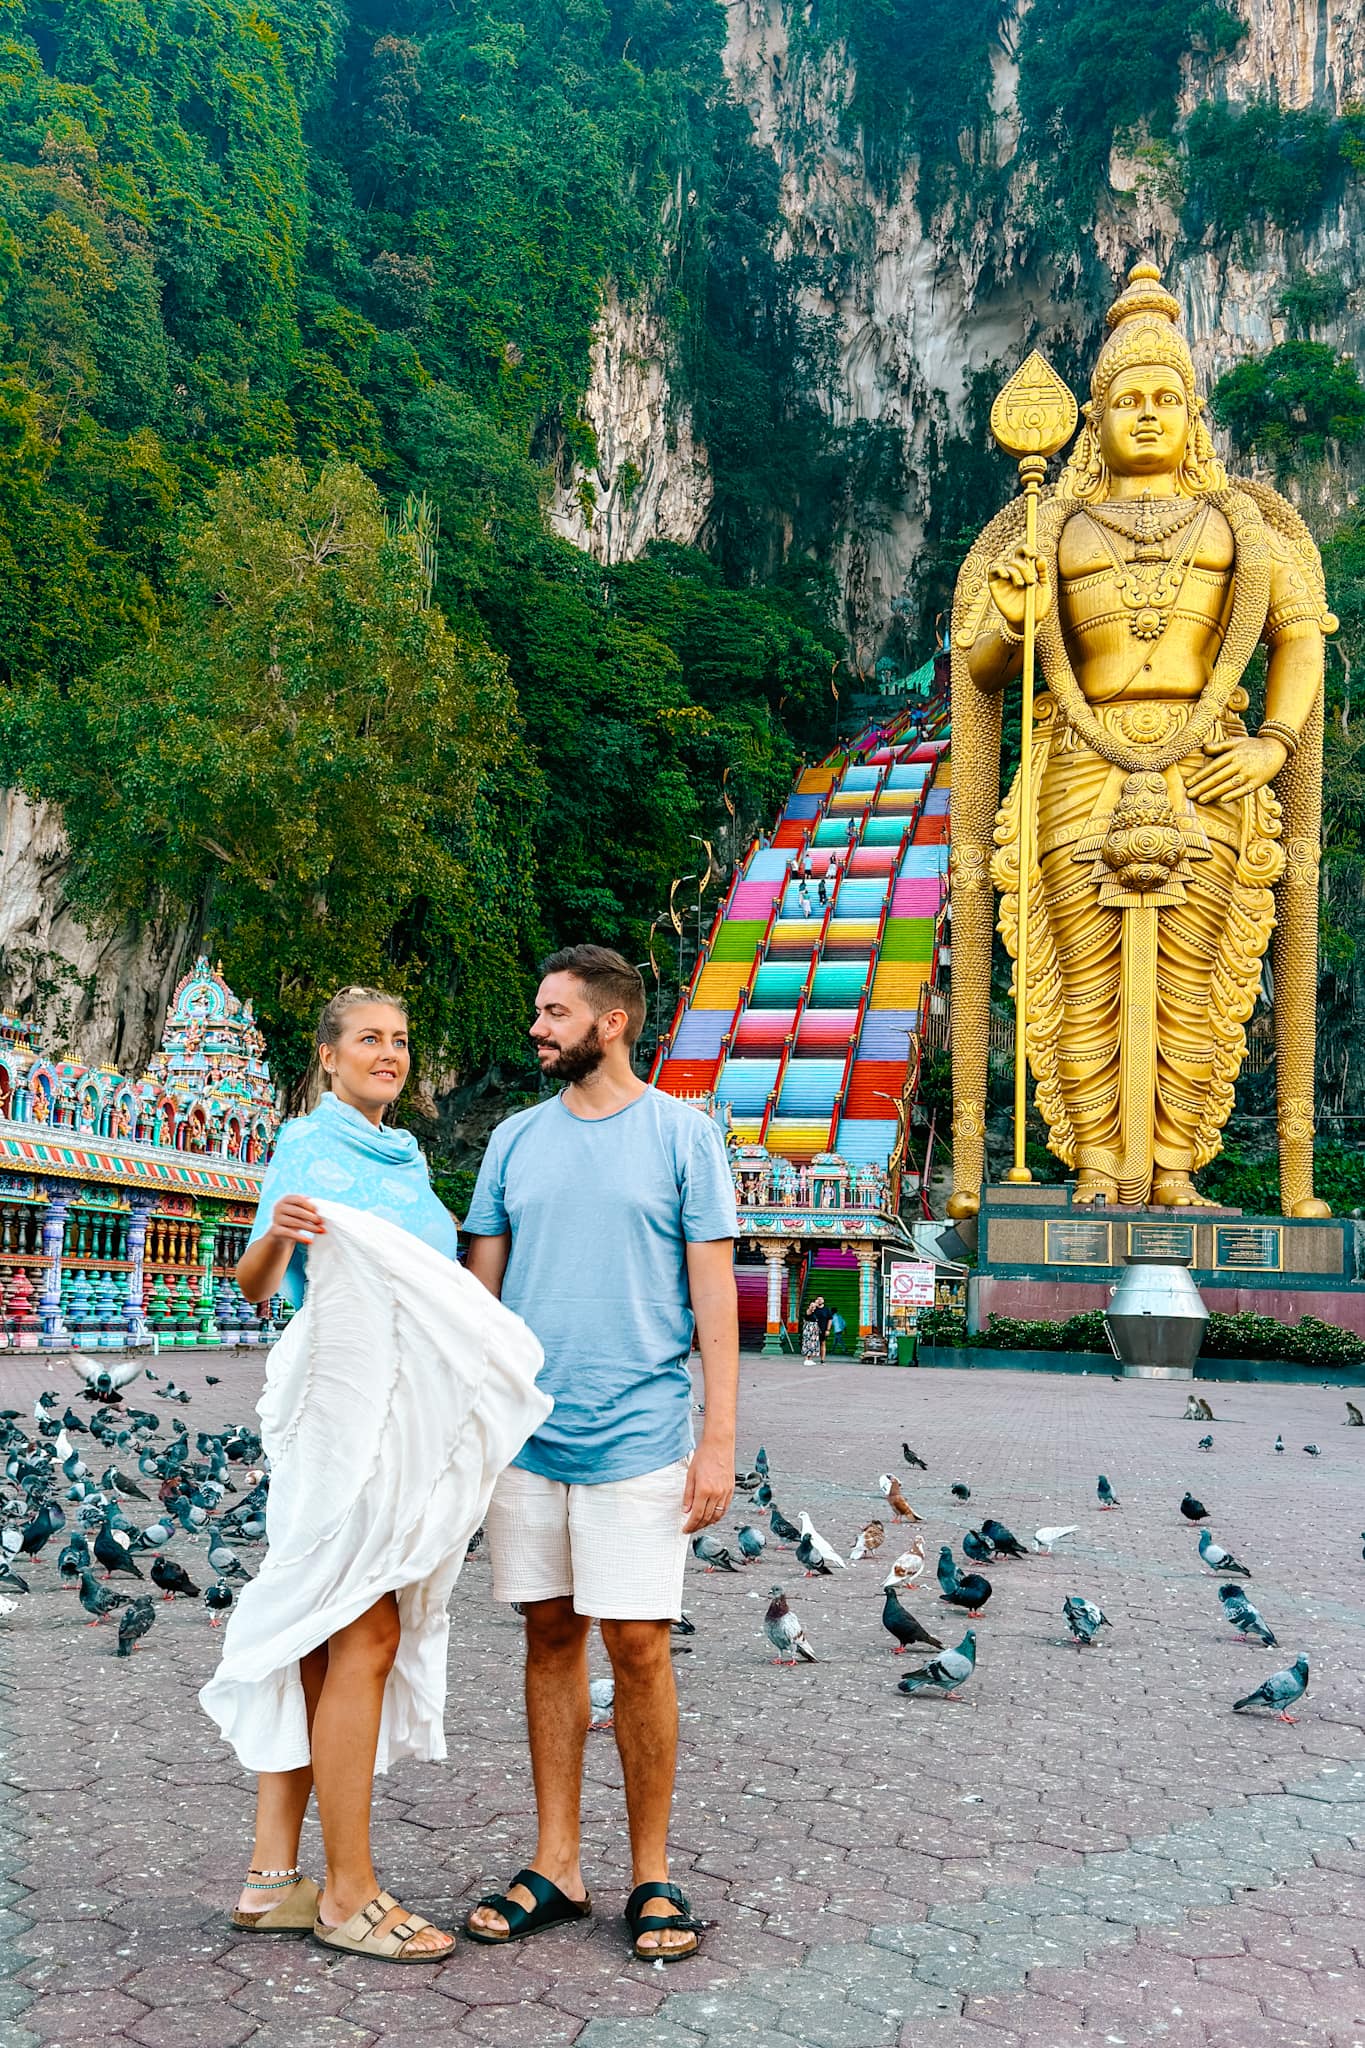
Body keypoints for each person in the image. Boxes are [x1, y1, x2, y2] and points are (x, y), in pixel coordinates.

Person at [201, 987, 548, 1964]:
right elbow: (257, 1282)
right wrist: (281, 1232)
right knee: (366, 1623)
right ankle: (347, 1888)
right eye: (370, 1039)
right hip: (344, 1414)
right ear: (330, 1055)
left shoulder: (405, 1158)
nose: (389, 1052)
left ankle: (274, 1875)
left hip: (405, 1417)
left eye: (399, 1038)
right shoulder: (309, 1148)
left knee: (325, 1626)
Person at [462, 945, 739, 1963]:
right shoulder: (512, 1142)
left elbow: (716, 1298)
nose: (537, 1027)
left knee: (639, 1646)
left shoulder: (682, 1135)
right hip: (531, 1439)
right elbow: (477, 1299)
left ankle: (652, 1870)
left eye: (554, 1011)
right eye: (538, 1009)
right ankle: (558, 1863)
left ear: (610, 1022)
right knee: (547, 1638)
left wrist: (719, 1438)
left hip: (641, 1434)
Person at [801, 1294, 832, 1362]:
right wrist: (813, 1305)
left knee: (822, 1343)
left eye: (821, 1299)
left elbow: (830, 1319)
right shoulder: (813, 1308)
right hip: (813, 1330)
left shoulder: (826, 1310)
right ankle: (809, 1359)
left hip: (822, 1329)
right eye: (818, 1299)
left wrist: (828, 1329)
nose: (820, 1300)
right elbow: (807, 1314)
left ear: (823, 1300)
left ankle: (822, 1359)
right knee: (811, 1343)